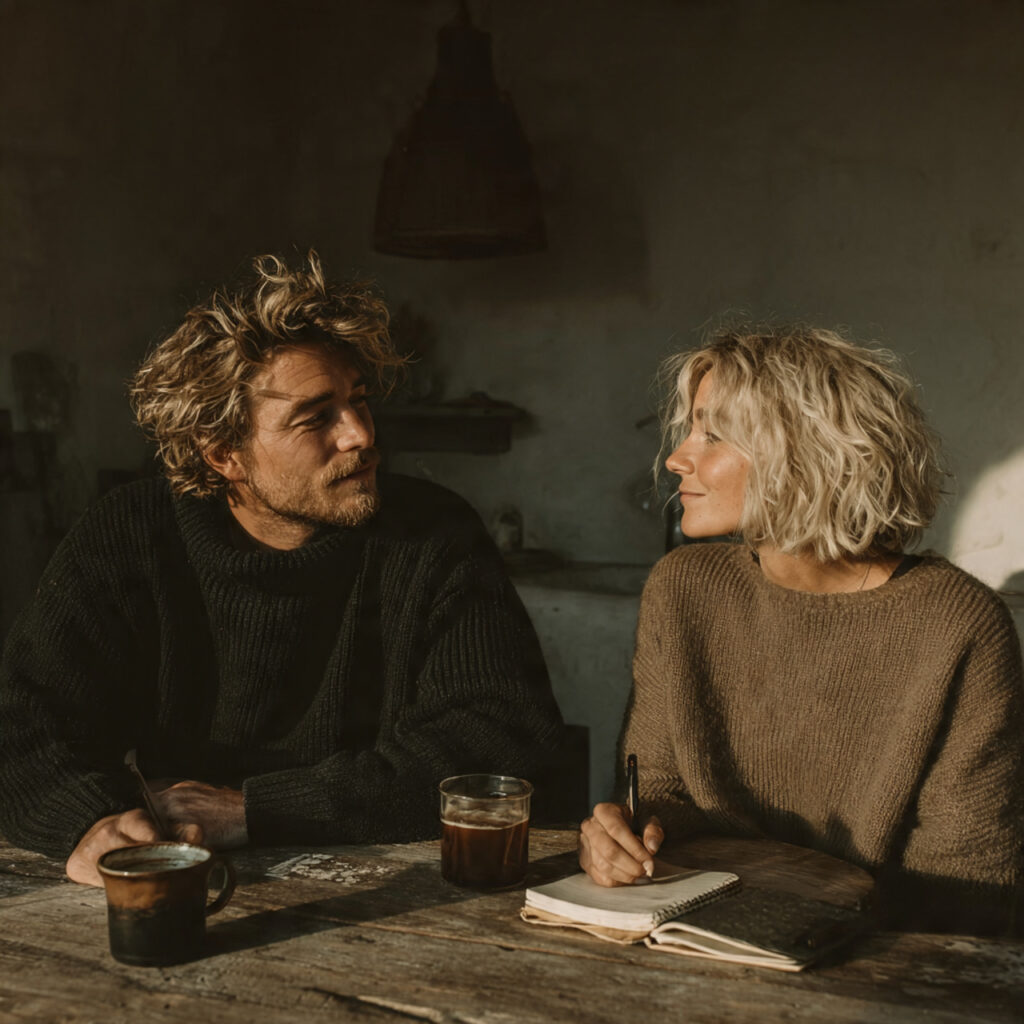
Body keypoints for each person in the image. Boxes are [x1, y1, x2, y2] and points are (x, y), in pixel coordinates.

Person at [0, 252, 563, 886]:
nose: (360, 435)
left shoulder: (434, 533)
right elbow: (24, 724)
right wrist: (90, 820)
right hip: (191, 876)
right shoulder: (130, 534)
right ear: (225, 455)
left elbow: (503, 742)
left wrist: (254, 810)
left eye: (358, 400)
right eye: (315, 418)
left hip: (396, 884)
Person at [578, 326, 1024, 935]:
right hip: (689, 930)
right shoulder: (682, 588)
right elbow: (657, 789)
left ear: (805, 454)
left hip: (871, 954)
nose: (677, 459)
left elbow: (966, 889)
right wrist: (623, 839)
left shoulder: (958, 624)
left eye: (712, 435)